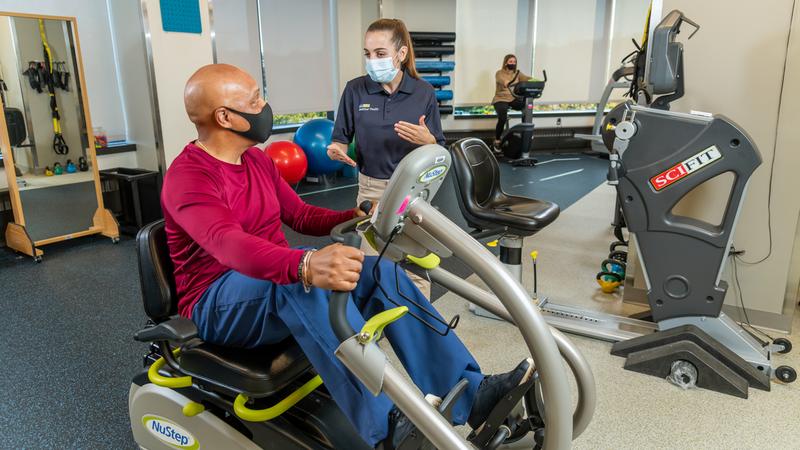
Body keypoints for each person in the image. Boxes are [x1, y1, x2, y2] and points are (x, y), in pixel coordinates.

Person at [161, 63, 533, 449]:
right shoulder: (189, 176)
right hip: (214, 301)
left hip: (268, 285)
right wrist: (304, 265)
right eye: (254, 99)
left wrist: (352, 216)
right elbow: (228, 243)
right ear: (225, 116)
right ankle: (387, 428)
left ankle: (474, 395)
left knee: (379, 272)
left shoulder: (256, 159)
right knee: (306, 283)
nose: (264, 105)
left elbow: (299, 214)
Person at [327, 18, 443, 298]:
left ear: (401, 54)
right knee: (370, 265)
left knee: (413, 266)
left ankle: (418, 328)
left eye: (380, 54)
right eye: (367, 54)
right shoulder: (355, 90)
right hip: (371, 189)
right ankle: (372, 333)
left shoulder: (424, 92)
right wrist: (336, 150)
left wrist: (427, 141)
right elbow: (339, 138)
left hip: (412, 192)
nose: (372, 61)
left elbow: (439, 148)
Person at [492, 54, 532, 151]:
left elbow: (527, 78)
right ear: (506, 63)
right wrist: (506, 82)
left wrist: (537, 81)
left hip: (513, 98)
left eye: (514, 62)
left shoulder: (517, 73)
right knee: (502, 118)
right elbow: (502, 80)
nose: (513, 64)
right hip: (500, 98)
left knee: (526, 108)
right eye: (511, 62)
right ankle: (497, 140)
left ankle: (525, 133)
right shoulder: (499, 73)